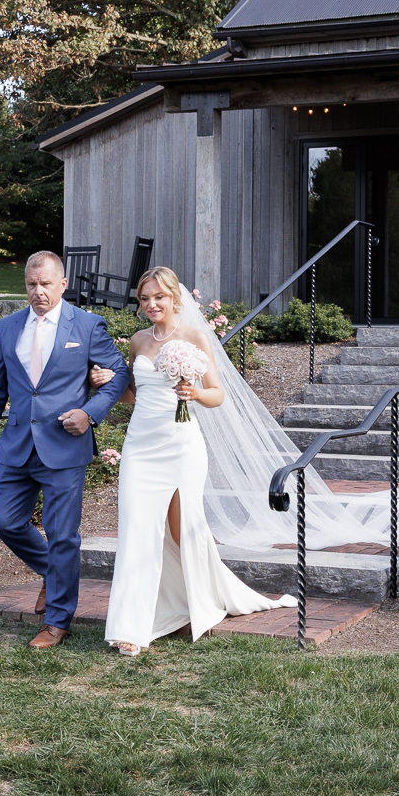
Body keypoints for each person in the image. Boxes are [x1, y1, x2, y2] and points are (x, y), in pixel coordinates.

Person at [94, 267, 296, 656]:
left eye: (159, 297)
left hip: (182, 447)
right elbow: (133, 395)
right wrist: (107, 381)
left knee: (183, 530)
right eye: (144, 299)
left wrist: (194, 393)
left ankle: (202, 597)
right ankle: (131, 628)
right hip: (140, 447)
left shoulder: (194, 337)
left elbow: (218, 394)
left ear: (175, 298)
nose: (151, 304)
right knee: (136, 530)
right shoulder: (137, 341)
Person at [0, 252, 131, 649]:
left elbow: (118, 376)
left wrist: (90, 413)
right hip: (16, 445)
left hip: (64, 446)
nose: (38, 292)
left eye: (46, 284)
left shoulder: (89, 325)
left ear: (63, 284)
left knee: (63, 535)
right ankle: (53, 573)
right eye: (31, 284)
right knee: (4, 521)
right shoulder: (8, 326)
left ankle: (58, 622)